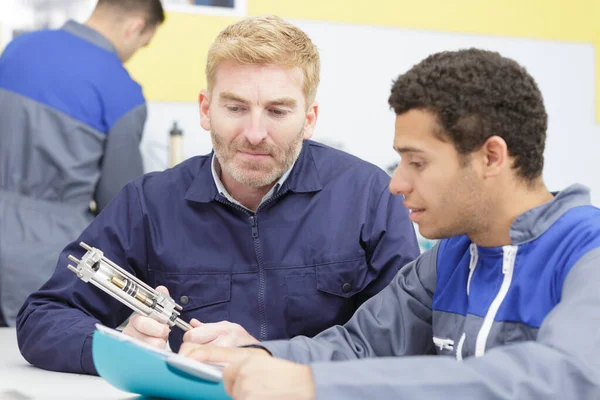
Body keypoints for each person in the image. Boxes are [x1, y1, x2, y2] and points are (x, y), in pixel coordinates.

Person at [179, 48, 600, 399]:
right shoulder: (451, 256)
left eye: (417, 162)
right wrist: (258, 358)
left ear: (491, 157)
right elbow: (359, 346)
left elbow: (565, 376)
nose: (396, 183)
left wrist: (312, 385)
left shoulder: (588, 252)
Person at [16, 15, 420, 374]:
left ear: (309, 118)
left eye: (278, 111)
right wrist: (122, 350)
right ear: (206, 110)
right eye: (236, 108)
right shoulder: (149, 203)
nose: (255, 134)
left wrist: (269, 357)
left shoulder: (370, 197)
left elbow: (406, 338)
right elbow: (43, 317)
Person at [0, 0, 164, 327]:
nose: (133, 54)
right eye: (142, 45)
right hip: (43, 256)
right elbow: (118, 206)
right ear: (135, 27)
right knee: (30, 367)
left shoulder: (17, 48)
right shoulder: (122, 93)